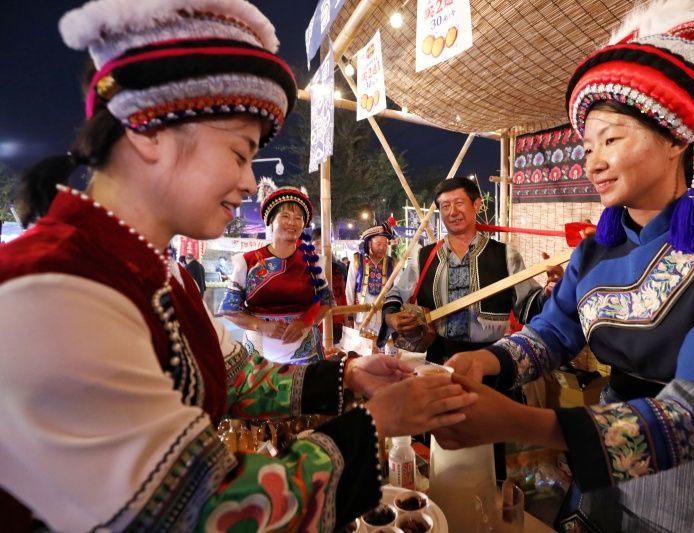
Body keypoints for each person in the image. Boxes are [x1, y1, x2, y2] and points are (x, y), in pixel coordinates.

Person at [0, 1, 478, 530]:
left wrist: (347, 373)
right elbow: (206, 511)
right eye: (238, 152)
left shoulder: (160, 272)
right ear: (148, 130)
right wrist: (376, 424)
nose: (251, 183)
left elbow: (235, 376)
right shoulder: (54, 293)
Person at [439, 2, 694, 531]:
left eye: (611, 140)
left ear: (675, 138)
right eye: (587, 147)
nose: (593, 163)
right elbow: (553, 333)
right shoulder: (594, 252)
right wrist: (485, 362)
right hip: (602, 475)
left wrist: (520, 422)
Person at [380, 176, 553, 365]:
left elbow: (529, 304)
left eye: (459, 203)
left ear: (476, 204)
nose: (452, 212)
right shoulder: (424, 256)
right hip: (438, 364)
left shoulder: (505, 255)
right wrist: (391, 317)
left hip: (491, 362)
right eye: (445, 206)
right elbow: (396, 295)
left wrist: (551, 291)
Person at [219, 183, 331, 364]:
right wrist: (262, 326)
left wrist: (305, 322)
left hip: (306, 351)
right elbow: (230, 310)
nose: (292, 222)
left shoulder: (314, 262)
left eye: (298, 218)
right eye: (285, 216)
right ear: (271, 220)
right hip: (259, 352)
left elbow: (327, 302)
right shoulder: (248, 261)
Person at [346, 222, 396, 339]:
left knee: (383, 345)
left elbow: (398, 288)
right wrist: (349, 313)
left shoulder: (392, 263)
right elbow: (350, 287)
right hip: (362, 313)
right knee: (362, 345)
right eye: (378, 244)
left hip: (384, 313)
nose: (382, 248)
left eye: (385, 244)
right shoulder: (357, 260)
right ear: (369, 243)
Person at [312, 226, 349, 345]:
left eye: (324, 244)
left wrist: (346, 319)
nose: (321, 248)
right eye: (317, 243)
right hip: (314, 322)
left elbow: (342, 296)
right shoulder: (306, 268)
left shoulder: (337, 268)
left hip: (336, 319)